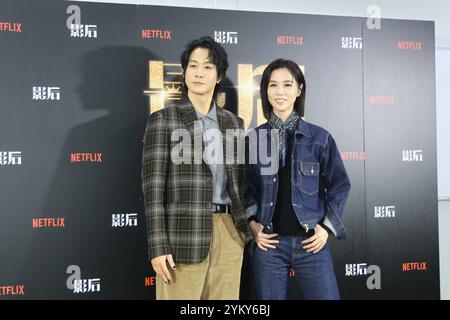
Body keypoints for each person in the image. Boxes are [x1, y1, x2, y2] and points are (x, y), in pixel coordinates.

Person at [142, 36, 249, 300]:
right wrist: (158, 246)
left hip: (228, 232)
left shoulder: (233, 123)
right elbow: (153, 190)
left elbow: (238, 183)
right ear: (185, 71)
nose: (199, 73)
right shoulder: (164, 120)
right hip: (182, 234)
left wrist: (243, 230)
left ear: (219, 76)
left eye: (208, 67)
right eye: (193, 65)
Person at [244, 58, 351, 300]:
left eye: (287, 85)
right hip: (269, 246)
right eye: (273, 85)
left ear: (299, 89)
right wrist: (253, 227)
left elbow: (340, 185)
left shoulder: (319, 138)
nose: (280, 92)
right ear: (265, 91)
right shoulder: (254, 139)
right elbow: (247, 188)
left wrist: (326, 228)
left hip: (311, 244)